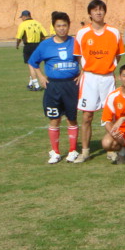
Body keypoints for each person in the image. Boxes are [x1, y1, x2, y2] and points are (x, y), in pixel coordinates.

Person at [73, 0, 125, 163]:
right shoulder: (82, 33)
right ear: (90, 13)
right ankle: (85, 151)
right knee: (87, 116)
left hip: (107, 78)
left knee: (111, 116)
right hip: (89, 79)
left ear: (105, 12)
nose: (98, 12)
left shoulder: (114, 32)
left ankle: (111, 148)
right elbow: (79, 55)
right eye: (95, 10)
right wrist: (86, 69)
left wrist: (108, 66)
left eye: (101, 9)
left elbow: (118, 55)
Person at [28, 12, 80, 164]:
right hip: (53, 86)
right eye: (59, 26)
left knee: (71, 119)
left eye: (64, 25)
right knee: (54, 119)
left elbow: (84, 59)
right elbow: (33, 62)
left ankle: (72, 150)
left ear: (68, 26)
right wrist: (41, 76)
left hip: (71, 85)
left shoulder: (75, 42)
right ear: (54, 27)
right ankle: (55, 152)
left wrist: (82, 73)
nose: (62, 28)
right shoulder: (45, 45)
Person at [16, 9, 47, 91]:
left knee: (31, 65)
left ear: (24, 16)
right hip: (38, 45)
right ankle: (30, 84)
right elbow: (44, 35)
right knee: (35, 64)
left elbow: (19, 37)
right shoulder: (38, 23)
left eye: (22, 17)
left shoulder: (23, 24)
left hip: (28, 46)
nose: (22, 19)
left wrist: (17, 44)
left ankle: (36, 85)